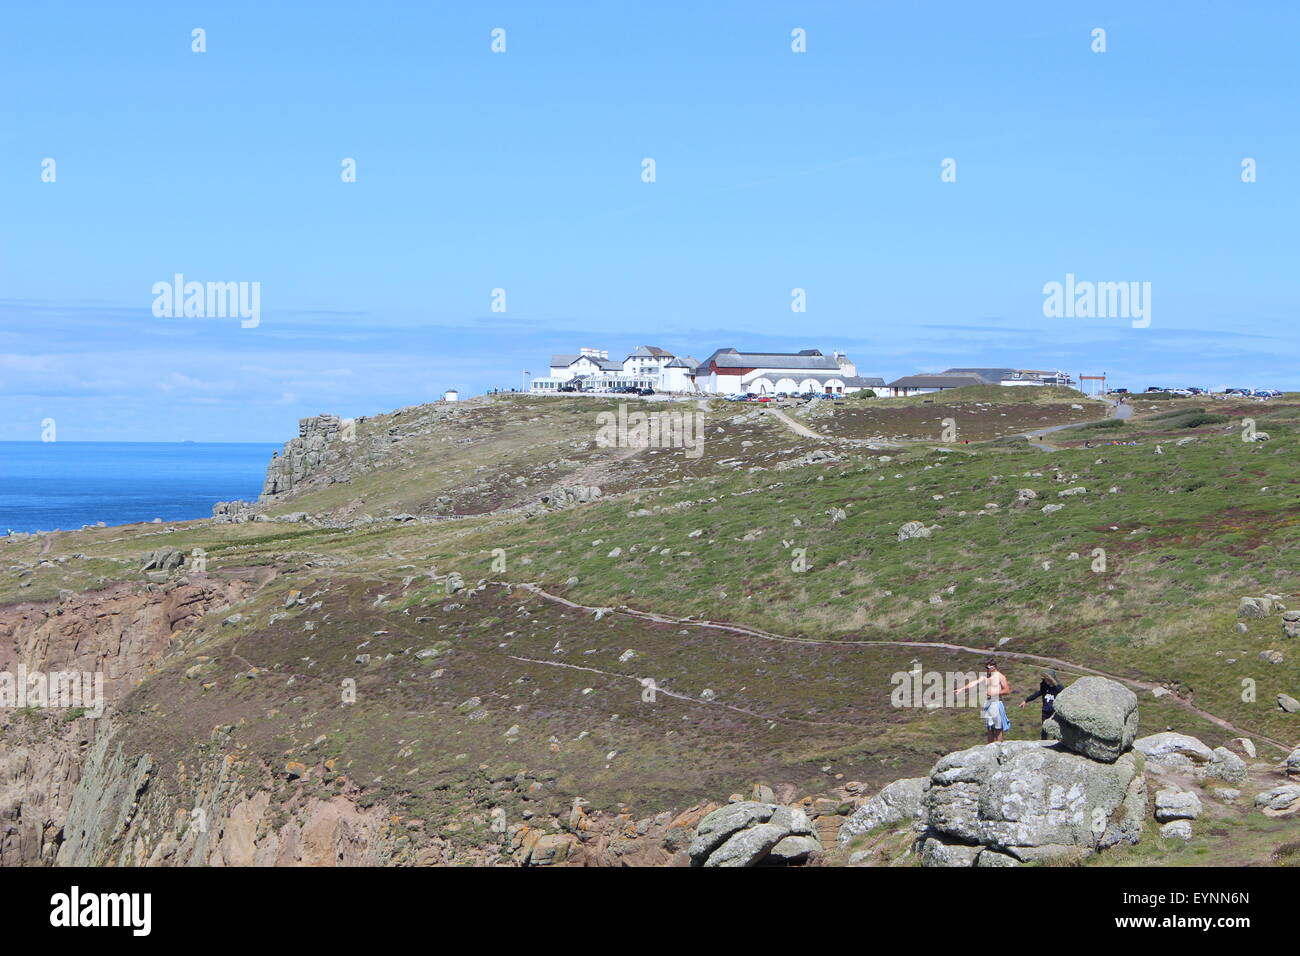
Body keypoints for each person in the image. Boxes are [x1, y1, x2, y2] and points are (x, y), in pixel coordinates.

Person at [955, 660, 1011, 742]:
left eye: (988, 667)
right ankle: (990, 747)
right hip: (987, 703)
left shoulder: (1000, 676)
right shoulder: (986, 677)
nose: (987, 669)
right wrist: (962, 689)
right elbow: (974, 683)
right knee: (989, 727)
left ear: (994, 666)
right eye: (986, 667)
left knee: (998, 727)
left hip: (996, 702)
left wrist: (994, 693)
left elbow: (1006, 690)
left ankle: (999, 746)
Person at [1019, 669, 1065, 739]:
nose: (1045, 681)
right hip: (1046, 711)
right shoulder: (1044, 686)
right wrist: (1026, 700)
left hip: (1055, 712)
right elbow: (1038, 693)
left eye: (1046, 679)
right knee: (1044, 729)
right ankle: (1043, 742)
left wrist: (1054, 683)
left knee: (1056, 728)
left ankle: (1056, 743)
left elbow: (1062, 692)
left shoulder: (1058, 688)